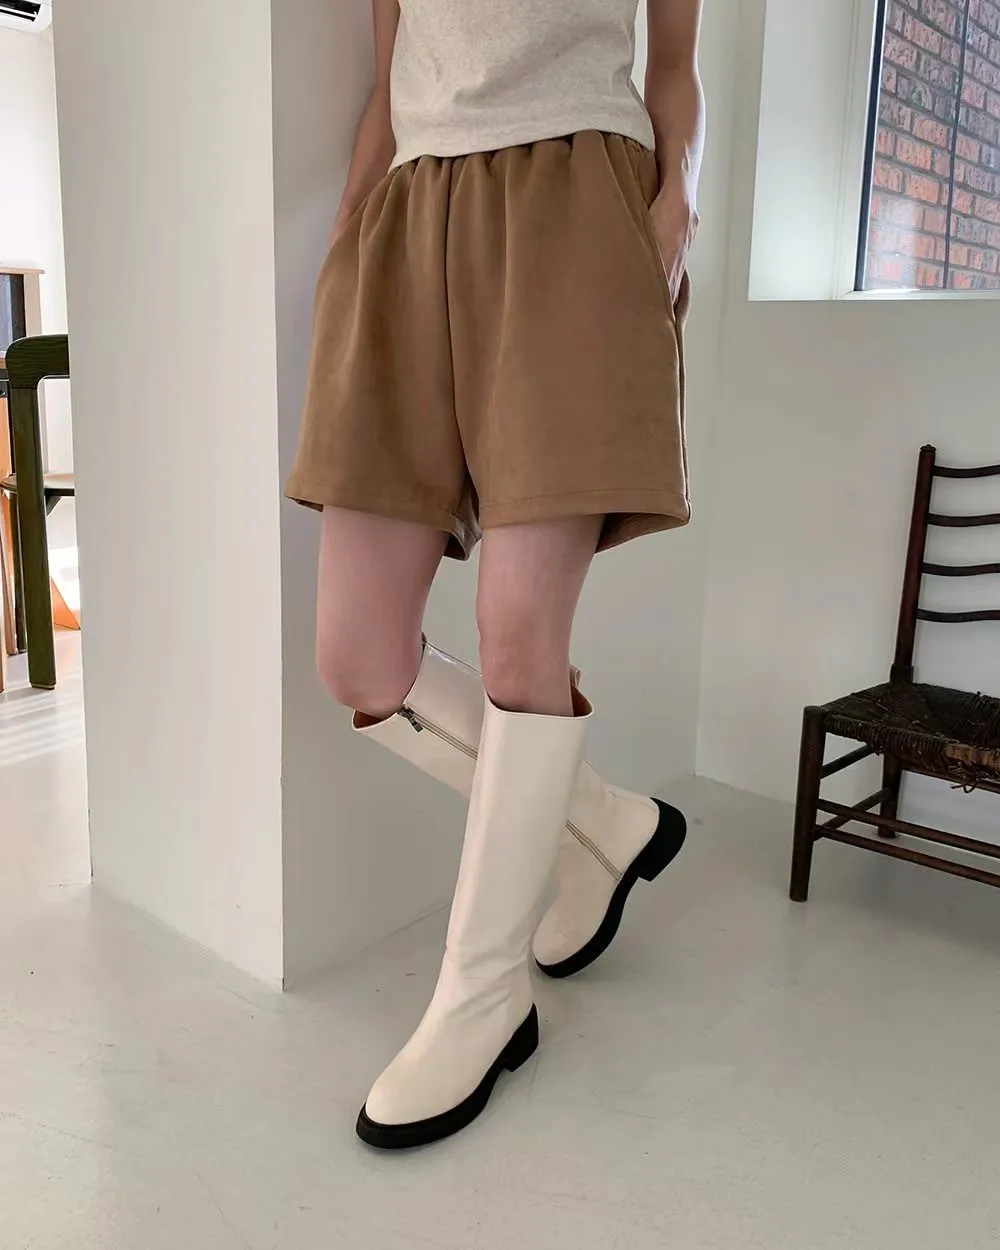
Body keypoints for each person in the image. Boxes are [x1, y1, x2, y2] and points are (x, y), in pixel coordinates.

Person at [287, 0, 705, 1150]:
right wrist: (346, 238)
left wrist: (676, 198)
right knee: (357, 655)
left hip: (576, 200)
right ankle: (600, 823)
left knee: (521, 636)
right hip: (408, 216)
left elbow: (677, 61)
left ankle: (485, 997)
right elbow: (391, 79)